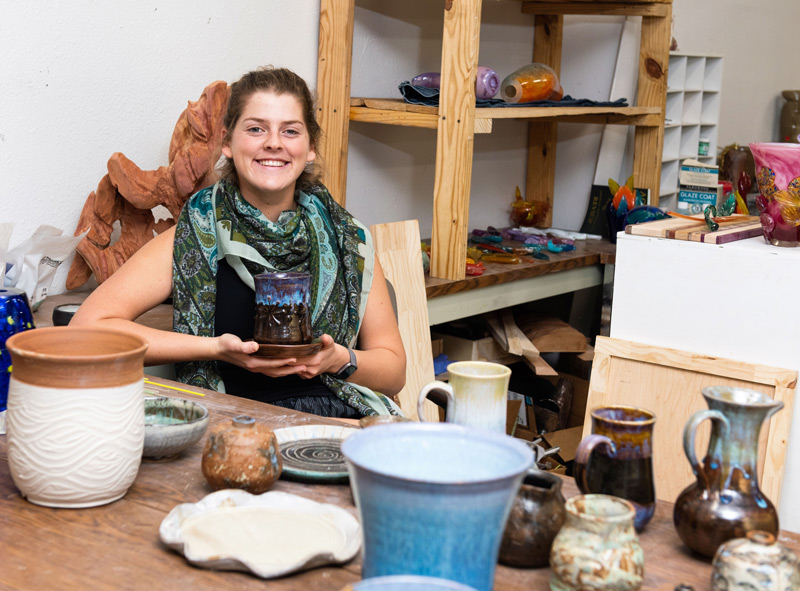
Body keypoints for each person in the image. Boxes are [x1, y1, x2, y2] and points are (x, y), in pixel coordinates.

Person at [72, 66, 406, 419]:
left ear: (310, 148)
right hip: (233, 425)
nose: (273, 142)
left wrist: (339, 359)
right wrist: (216, 349)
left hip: (337, 421)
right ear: (228, 143)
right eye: (256, 129)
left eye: (290, 131)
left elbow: (394, 371)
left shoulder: (349, 239)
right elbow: (87, 328)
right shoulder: (194, 236)